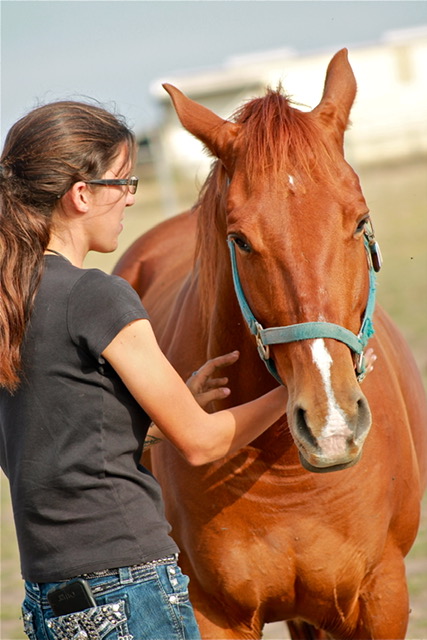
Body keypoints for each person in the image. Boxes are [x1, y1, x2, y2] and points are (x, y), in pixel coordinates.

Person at [0, 100, 289, 640]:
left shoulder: (11, 301)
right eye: (122, 180)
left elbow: (49, 448)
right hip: (129, 589)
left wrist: (166, 408)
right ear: (81, 195)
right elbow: (201, 444)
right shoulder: (96, 295)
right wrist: (296, 392)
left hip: (48, 599)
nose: (131, 194)